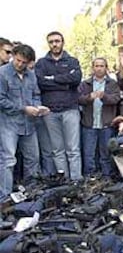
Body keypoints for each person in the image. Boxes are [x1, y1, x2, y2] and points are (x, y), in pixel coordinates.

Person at [0, 44, 47, 200]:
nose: (20, 64)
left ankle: (30, 194)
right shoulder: (2, 73)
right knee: (8, 160)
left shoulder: (31, 75)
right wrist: (23, 108)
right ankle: (5, 198)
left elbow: (36, 94)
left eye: (24, 62)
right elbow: (1, 100)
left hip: (29, 124)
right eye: (18, 60)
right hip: (9, 124)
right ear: (13, 56)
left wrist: (37, 107)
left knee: (33, 158)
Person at [35, 31, 83, 181]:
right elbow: (41, 82)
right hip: (50, 111)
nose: (55, 44)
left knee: (73, 149)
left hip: (70, 109)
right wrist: (64, 83)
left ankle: (76, 180)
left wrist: (53, 79)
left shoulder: (72, 61)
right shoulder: (41, 63)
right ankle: (65, 181)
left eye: (57, 41)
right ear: (48, 44)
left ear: (63, 42)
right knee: (57, 149)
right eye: (51, 42)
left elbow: (76, 79)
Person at [78, 57, 121, 178]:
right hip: (89, 124)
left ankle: (107, 177)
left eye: (102, 66)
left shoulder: (112, 84)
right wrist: (89, 98)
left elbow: (116, 99)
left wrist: (104, 97)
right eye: (96, 66)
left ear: (106, 68)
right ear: (93, 68)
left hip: (106, 124)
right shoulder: (85, 84)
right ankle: (89, 178)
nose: (99, 68)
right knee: (89, 154)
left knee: (105, 154)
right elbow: (78, 99)